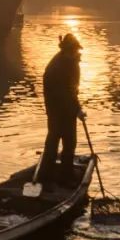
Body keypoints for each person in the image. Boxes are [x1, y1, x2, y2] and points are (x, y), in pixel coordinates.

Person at [38, 33, 85, 188]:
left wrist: (75, 108)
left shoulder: (62, 61)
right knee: (66, 142)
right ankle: (63, 178)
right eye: (75, 50)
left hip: (56, 110)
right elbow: (67, 92)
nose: (77, 53)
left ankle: (46, 176)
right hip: (60, 110)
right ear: (69, 50)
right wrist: (77, 110)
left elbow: (69, 91)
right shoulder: (63, 65)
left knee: (54, 141)